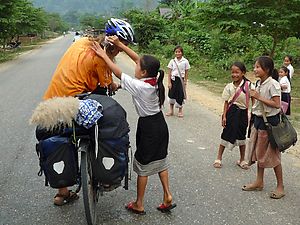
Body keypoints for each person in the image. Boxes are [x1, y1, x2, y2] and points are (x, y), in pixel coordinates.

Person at [43, 18, 136, 206]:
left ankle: (62, 192)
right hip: (77, 102)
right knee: (105, 122)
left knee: (63, 137)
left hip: (53, 102)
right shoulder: (102, 59)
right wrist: (113, 85)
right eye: (120, 46)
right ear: (113, 44)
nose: (119, 50)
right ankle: (104, 175)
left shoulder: (82, 42)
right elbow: (105, 87)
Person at [92, 35, 176, 215]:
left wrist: (103, 55)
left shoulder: (141, 86)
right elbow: (137, 60)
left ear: (144, 72)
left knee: (143, 166)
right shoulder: (153, 81)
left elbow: (117, 72)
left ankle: (139, 203)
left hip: (149, 128)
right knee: (161, 160)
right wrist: (119, 44)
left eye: (138, 66)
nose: (135, 65)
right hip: (160, 125)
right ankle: (168, 195)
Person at [242, 56, 284, 199]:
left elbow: (277, 104)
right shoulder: (259, 83)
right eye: (255, 67)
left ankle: (280, 186)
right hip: (259, 121)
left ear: (266, 69)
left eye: (258, 67)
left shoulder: (273, 84)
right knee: (259, 152)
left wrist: (258, 97)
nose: (255, 69)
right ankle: (259, 181)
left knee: (273, 154)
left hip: (270, 123)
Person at [213, 62, 252, 169]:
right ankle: (218, 158)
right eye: (233, 72)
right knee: (226, 133)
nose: (234, 74)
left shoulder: (249, 86)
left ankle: (242, 159)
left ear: (243, 73)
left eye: (237, 72)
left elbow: (254, 99)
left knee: (241, 135)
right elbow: (226, 103)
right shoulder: (229, 87)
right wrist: (224, 116)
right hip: (231, 113)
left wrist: (252, 115)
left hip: (243, 113)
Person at [165, 45, 190, 118]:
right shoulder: (172, 61)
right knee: (171, 94)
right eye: (176, 52)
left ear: (182, 53)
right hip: (173, 79)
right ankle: (171, 110)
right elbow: (169, 72)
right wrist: (169, 82)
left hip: (181, 80)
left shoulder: (185, 61)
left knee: (180, 94)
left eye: (179, 52)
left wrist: (185, 81)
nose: (177, 53)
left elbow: (186, 72)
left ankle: (180, 111)